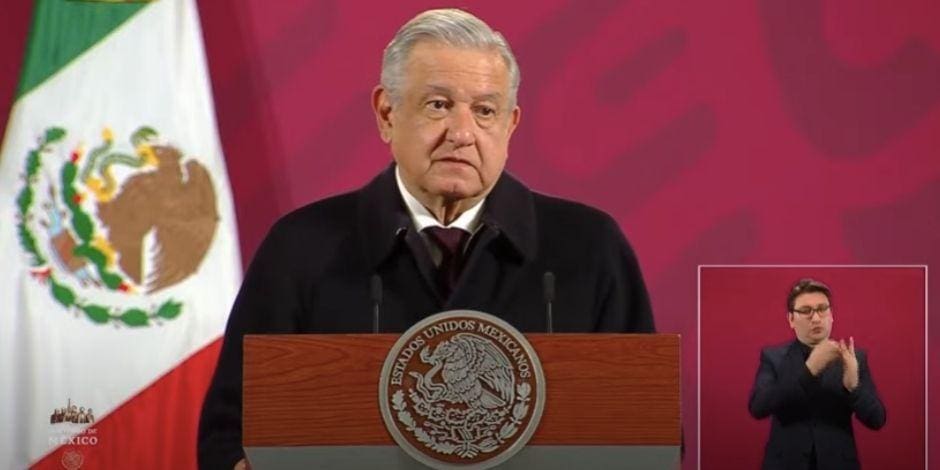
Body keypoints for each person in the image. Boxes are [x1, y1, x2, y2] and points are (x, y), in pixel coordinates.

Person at [198, 8, 654, 469]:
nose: (462, 133)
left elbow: (647, 434)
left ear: (510, 125)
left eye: (485, 111)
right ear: (387, 113)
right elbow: (229, 438)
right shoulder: (302, 247)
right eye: (438, 105)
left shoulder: (589, 247)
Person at [748, 278, 885, 470]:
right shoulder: (774, 357)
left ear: (831, 315)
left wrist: (853, 388)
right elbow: (758, 407)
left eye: (822, 309)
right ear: (791, 319)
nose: (816, 318)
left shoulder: (853, 357)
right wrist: (809, 370)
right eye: (806, 311)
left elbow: (877, 420)